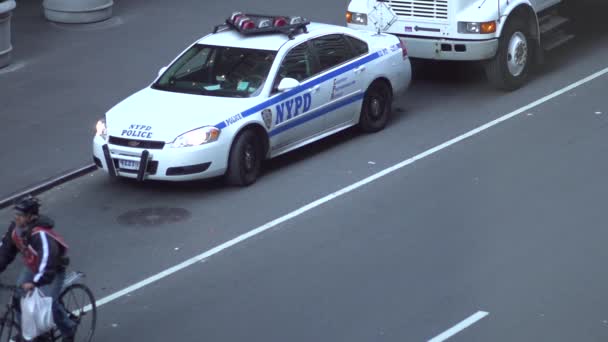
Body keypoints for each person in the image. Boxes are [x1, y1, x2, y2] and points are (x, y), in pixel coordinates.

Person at [0, 196, 76, 342]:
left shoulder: (40, 234)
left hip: (52, 270)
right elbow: (5, 253)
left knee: (49, 303)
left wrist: (35, 282)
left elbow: (48, 261)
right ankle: (29, 332)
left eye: (20, 216)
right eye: (16, 215)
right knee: (17, 298)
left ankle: (68, 329)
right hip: (33, 266)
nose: (16, 218)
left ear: (31, 216)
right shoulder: (15, 230)